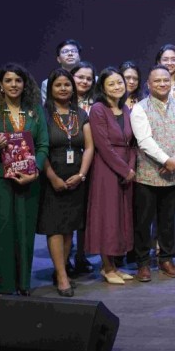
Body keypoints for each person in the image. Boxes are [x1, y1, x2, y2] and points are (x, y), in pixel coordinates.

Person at [0, 63, 49, 296]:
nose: (14, 85)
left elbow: (43, 145)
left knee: (25, 233)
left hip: (29, 180)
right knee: (3, 232)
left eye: (18, 80)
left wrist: (35, 170)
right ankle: (6, 285)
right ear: (0, 84)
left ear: (25, 84)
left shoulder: (35, 110)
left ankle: (24, 283)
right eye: (8, 80)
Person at [130, 65, 175, 281]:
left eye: (165, 80)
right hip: (147, 174)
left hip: (174, 174)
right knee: (143, 221)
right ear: (148, 85)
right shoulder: (140, 108)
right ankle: (142, 263)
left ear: (172, 83)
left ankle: (166, 259)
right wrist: (166, 160)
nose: (162, 84)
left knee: (168, 220)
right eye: (157, 81)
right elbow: (144, 140)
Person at [37, 68, 94, 297]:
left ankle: (62, 269)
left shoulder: (80, 114)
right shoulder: (42, 114)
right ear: (50, 88)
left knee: (69, 227)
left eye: (67, 85)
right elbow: (39, 148)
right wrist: (52, 177)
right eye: (58, 85)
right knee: (55, 227)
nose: (63, 88)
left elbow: (89, 147)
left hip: (76, 178)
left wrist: (81, 175)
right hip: (51, 177)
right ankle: (61, 276)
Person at [85, 67, 137, 284]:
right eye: (111, 84)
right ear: (103, 88)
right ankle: (106, 268)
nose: (117, 87)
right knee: (107, 217)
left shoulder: (125, 109)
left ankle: (114, 266)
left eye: (119, 82)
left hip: (126, 169)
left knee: (121, 217)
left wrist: (131, 167)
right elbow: (103, 145)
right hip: (106, 169)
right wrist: (124, 169)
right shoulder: (98, 109)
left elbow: (132, 143)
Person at [70, 61, 97, 274]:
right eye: (80, 77)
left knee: (86, 211)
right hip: (68, 162)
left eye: (89, 78)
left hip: (94, 161)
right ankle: (65, 258)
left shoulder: (96, 102)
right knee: (69, 211)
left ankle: (81, 255)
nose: (85, 81)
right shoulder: (62, 101)